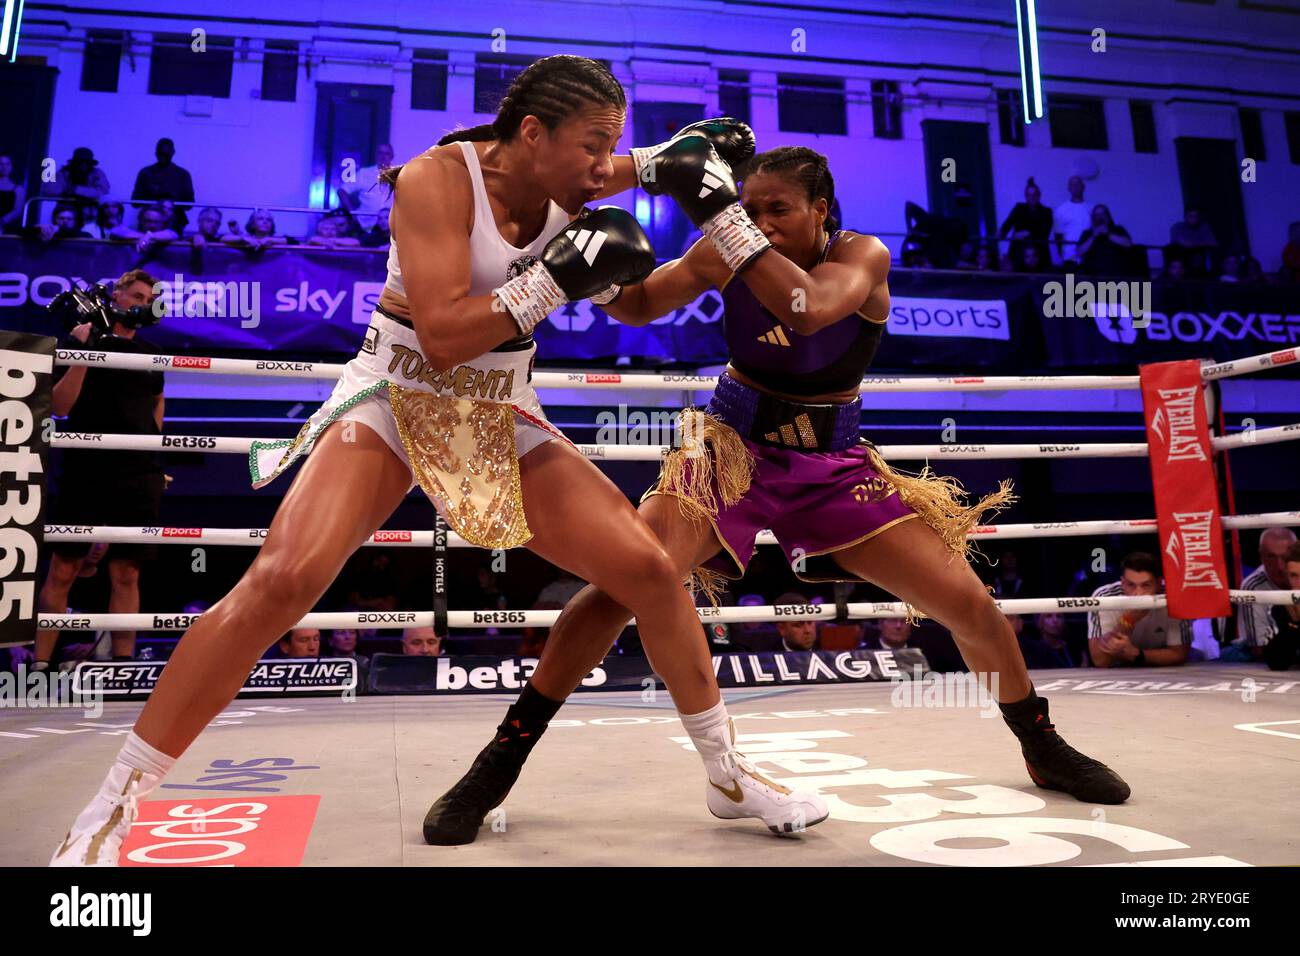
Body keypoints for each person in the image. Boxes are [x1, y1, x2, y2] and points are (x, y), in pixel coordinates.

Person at [51, 55, 824, 867]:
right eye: (594, 145)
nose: (605, 167)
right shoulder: (435, 180)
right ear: (533, 132)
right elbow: (449, 333)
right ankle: (115, 802)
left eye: (613, 150)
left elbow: (632, 300)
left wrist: (705, 249)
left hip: (501, 406)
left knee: (651, 572)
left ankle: (726, 775)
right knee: (282, 579)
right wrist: (559, 275)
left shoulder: (574, 184)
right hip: (397, 388)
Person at [429, 141, 1132, 846]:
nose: (759, 224)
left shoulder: (863, 257)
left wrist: (725, 221)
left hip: (833, 464)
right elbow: (643, 304)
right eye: (751, 209)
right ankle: (500, 759)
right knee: (625, 583)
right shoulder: (724, 248)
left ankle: (1041, 743)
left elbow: (809, 308)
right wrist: (598, 279)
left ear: (821, 210)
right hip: (730, 450)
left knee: (970, 604)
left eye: (779, 211)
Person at [37, 271, 166, 674]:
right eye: (137, 295)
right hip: (86, 468)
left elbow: (158, 415)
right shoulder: (80, 338)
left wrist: (154, 462)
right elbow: (59, 406)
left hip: (136, 472)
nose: (141, 303)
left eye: (148, 299)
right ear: (117, 295)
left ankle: (123, 667)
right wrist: (85, 352)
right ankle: (40, 665)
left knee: (126, 572)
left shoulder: (151, 352)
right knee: (64, 568)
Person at [1086, 552, 1191, 667]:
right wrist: (1127, 620)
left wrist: (1137, 655)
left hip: (1162, 669)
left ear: (1158, 583)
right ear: (1123, 583)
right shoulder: (1104, 597)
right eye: (1131, 585)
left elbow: (1179, 654)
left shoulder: (1172, 597)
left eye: (1146, 585)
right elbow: (1100, 661)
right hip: (1118, 671)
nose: (1138, 594)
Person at [131, 138, 195, 232]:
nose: (162, 158)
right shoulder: (145, 173)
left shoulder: (183, 174)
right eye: (160, 154)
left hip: (175, 223)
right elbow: (135, 202)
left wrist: (170, 204)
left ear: (173, 153)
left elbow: (189, 204)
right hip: (149, 221)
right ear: (156, 153)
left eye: (166, 155)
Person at [998, 177, 1052, 272]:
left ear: (1039, 196)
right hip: (1019, 252)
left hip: (1038, 254)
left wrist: (1027, 233)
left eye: (1034, 195)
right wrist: (1002, 232)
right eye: (1029, 195)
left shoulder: (1046, 212)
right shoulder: (1019, 208)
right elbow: (1008, 223)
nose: (1032, 197)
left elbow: (1044, 231)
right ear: (1025, 196)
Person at [0, 153, 26, 234]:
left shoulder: (18, 189)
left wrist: (1, 222)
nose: (4, 167)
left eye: (7, 164)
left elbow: (17, 211)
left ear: (11, 166)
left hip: (8, 228)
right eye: (1, 164)